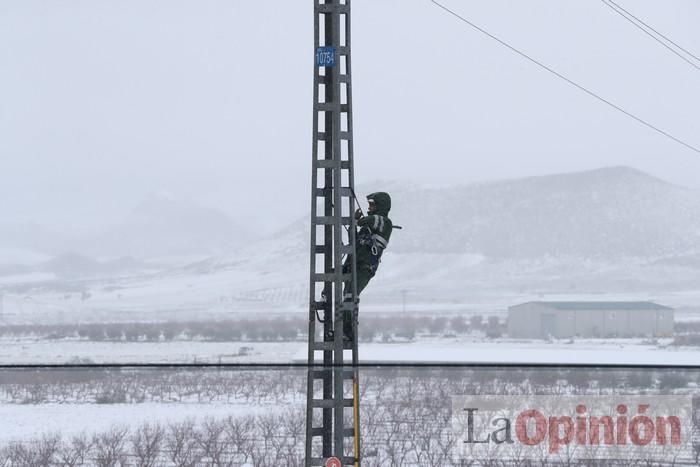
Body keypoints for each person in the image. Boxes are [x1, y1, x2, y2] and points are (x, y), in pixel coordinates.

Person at [342, 191, 393, 340]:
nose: (369, 207)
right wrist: (353, 223)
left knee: (351, 295)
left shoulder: (385, 223)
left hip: (365, 268)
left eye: (372, 204)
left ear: (380, 206)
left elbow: (374, 220)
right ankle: (345, 328)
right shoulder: (368, 226)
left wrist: (361, 220)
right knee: (347, 296)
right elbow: (354, 241)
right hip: (353, 266)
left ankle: (349, 329)